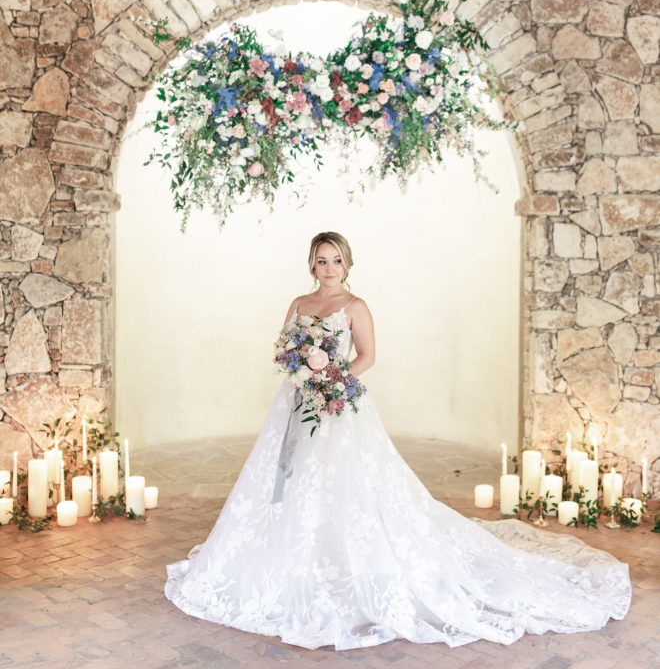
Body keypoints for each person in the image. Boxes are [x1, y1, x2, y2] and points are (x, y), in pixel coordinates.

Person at [165, 231, 631, 651]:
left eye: (336, 261)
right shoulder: (300, 304)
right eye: (321, 261)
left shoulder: (355, 306)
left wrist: (330, 378)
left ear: (348, 264)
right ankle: (294, 561)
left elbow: (367, 356)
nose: (328, 269)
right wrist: (298, 368)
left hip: (337, 403)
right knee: (292, 480)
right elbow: (283, 347)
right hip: (294, 403)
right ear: (311, 264)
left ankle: (346, 561)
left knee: (346, 485)